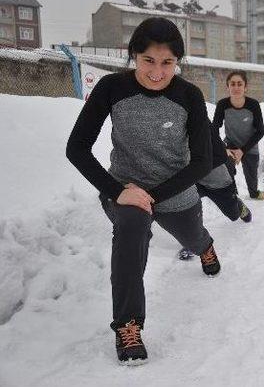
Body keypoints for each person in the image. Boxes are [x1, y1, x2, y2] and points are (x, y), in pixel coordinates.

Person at [66, 18, 218, 365]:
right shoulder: (111, 88)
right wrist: (117, 191)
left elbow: (202, 162)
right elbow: (77, 148)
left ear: (177, 62)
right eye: (148, 60)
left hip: (176, 191)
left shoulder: (189, 95)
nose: (156, 72)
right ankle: (128, 325)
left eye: (167, 63)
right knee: (133, 230)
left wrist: (152, 195)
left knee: (192, 238)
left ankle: (205, 246)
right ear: (134, 55)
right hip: (123, 189)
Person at [177, 129, 253, 261]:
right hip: (195, 181)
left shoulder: (202, 128)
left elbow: (223, 155)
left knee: (233, 215)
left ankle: (239, 206)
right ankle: (195, 243)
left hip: (219, 183)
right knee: (188, 208)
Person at [212, 70, 264, 200]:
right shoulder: (222, 104)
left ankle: (254, 192)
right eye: (232, 84)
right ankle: (233, 194)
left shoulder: (253, 105)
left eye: (239, 84)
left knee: (253, 190)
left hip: (249, 145)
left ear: (245, 87)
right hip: (231, 144)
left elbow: (260, 131)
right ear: (228, 87)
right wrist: (224, 149)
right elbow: (214, 129)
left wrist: (242, 151)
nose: (236, 87)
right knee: (226, 164)